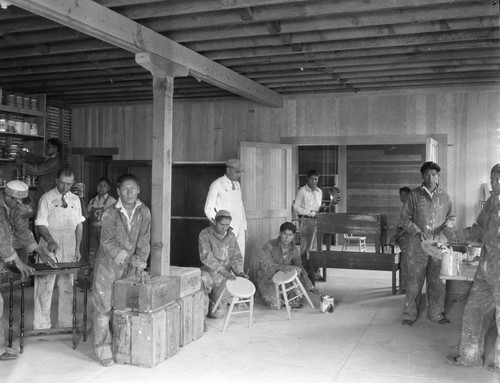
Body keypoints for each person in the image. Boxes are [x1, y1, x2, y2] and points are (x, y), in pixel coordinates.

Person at [93, 173, 151, 367]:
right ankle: (103, 349)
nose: (129, 192)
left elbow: (144, 241)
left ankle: (122, 347)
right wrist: (129, 257)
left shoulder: (144, 212)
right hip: (107, 266)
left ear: (138, 190)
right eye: (125, 188)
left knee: (125, 307)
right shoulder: (110, 212)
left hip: (131, 267)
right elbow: (106, 242)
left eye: (132, 188)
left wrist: (141, 264)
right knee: (103, 308)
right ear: (118, 191)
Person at [447, 164, 500, 371]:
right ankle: (469, 355)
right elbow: (478, 229)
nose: (494, 183)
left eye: (498, 180)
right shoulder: (490, 203)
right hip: (486, 268)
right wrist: (456, 236)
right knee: (473, 309)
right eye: (492, 179)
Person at [0, 180, 54, 361]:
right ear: (7, 196)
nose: (19, 206)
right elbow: (3, 240)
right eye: (17, 201)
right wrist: (18, 262)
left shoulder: (13, 208)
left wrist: (41, 251)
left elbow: (23, 232)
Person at [400, 161, 456, 326]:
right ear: (422, 176)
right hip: (418, 245)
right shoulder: (414, 195)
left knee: (437, 281)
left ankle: (437, 313)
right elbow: (405, 218)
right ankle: (409, 315)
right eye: (427, 174)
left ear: (438, 176)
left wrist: (448, 225)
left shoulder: (445, 197)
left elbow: (452, 216)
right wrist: (416, 231)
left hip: (438, 245)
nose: (431, 177)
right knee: (414, 281)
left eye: (434, 174)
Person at [33, 168, 85, 330]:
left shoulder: (75, 200)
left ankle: (66, 323)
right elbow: (40, 223)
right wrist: (50, 240)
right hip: (49, 246)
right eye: (62, 183)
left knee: (68, 286)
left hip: (69, 246)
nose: (64, 187)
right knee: (44, 286)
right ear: (56, 180)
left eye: (68, 184)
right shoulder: (46, 198)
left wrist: (77, 249)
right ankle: (41, 326)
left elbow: (79, 225)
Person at [257, 222, 320, 309]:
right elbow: (266, 265)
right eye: (285, 234)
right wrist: (284, 267)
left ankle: (285, 293)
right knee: (276, 305)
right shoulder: (270, 245)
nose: (287, 238)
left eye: (290, 235)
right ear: (280, 233)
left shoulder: (294, 250)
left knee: (294, 302)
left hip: (284, 278)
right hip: (268, 278)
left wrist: (310, 286)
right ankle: (260, 294)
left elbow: (300, 268)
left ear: (294, 236)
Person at [199, 209, 247, 319]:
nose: (225, 227)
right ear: (215, 222)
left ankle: (213, 305)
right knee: (203, 281)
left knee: (217, 314)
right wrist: (222, 269)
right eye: (222, 225)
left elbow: (236, 257)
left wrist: (239, 272)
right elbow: (206, 256)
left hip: (223, 277)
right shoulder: (205, 234)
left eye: (227, 225)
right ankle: (201, 316)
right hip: (209, 271)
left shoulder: (231, 236)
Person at [204, 159, 247, 262]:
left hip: (239, 226)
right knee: (226, 259)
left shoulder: (237, 185)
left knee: (239, 257)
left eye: (240, 172)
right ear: (228, 170)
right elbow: (208, 209)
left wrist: (245, 227)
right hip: (226, 229)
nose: (239, 175)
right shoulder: (217, 184)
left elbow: (241, 207)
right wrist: (221, 225)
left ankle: (239, 277)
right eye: (237, 172)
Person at [15, 137, 63, 202]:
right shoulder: (50, 159)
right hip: (45, 193)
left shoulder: (54, 162)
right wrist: (23, 153)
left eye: (49, 147)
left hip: (48, 194)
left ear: (56, 148)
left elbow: (35, 170)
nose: (46, 149)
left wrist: (21, 163)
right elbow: (36, 159)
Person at [293, 169, 323, 273]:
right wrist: (309, 212)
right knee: (306, 247)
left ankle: (315, 272)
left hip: (318, 221)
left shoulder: (320, 192)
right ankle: (305, 272)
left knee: (316, 247)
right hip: (306, 220)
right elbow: (296, 207)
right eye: (312, 179)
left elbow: (318, 207)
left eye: (316, 179)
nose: (314, 181)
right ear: (307, 179)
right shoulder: (302, 191)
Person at [86, 177, 116, 277]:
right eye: (99, 185)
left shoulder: (112, 201)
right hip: (93, 232)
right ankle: (92, 279)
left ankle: (104, 278)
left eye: (104, 186)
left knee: (105, 254)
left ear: (108, 188)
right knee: (92, 254)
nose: (101, 188)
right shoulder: (92, 201)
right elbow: (87, 215)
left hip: (105, 232)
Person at [389, 186, 411, 293]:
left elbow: (409, 226)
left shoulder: (411, 208)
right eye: (401, 195)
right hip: (401, 237)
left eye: (405, 195)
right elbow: (400, 224)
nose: (403, 197)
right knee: (401, 263)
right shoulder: (402, 207)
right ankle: (402, 286)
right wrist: (396, 235)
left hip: (408, 237)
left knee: (406, 263)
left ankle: (406, 288)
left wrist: (398, 235)